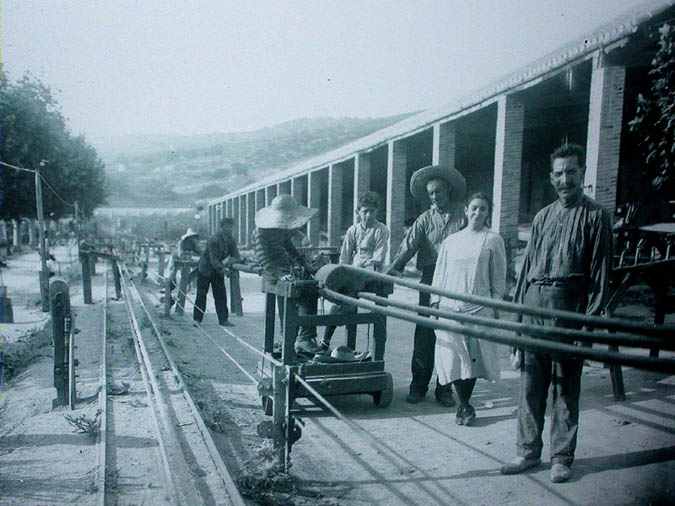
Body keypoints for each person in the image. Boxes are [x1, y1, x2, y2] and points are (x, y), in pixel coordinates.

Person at [500, 143, 612, 483]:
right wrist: (518, 325)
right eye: (559, 173)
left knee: (565, 388)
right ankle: (527, 452)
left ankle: (561, 457)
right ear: (552, 178)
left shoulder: (596, 216)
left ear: (581, 174)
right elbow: (524, 274)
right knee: (531, 386)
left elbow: (601, 278)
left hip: (569, 308)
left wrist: (586, 327)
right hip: (534, 303)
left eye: (572, 172)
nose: (566, 179)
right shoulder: (541, 217)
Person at [386, 163, 466, 406]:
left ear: (448, 191)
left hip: (454, 280)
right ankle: (418, 386)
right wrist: (391, 272)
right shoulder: (424, 220)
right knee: (424, 334)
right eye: (430, 193)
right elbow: (407, 247)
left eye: (439, 191)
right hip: (430, 279)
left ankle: (444, 389)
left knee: (450, 335)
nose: (434, 197)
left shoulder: (463, 216)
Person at [430, 192, 506, 426]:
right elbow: (439, 274)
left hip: (479, 307)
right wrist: (435, 302)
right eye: (474, 208)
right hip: (450, 307)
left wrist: (495, 305)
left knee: (472, 360)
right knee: (453, 356)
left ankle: (464, 404)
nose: (477, 213)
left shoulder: (493, 240)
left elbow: (499, 278)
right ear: (466, 210)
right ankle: (463, 403)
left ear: (487, 213)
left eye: (483, 209)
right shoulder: (451, 241)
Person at [320, 191, 389, 351]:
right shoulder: (353, 230)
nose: (369, 215)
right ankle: (340, 345)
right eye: (365, 211)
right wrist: (340, 273)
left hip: (372, 273)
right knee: (342, 301)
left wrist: (364, 268)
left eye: (372, 211)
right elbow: (345, 256)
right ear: (358, 212)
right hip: (353, 272)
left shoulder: (381, 230)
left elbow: (379, 257)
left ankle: (328, 343)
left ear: (377, 211)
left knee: (349, 301)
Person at [254, 194, 323, 355]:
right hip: (273, 273)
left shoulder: (281, 228)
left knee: (310, 291)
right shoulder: (261, 232)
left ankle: (305, 338)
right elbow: (264, 258)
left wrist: (305, 264)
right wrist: (280, 275)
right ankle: (289, 340)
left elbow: (289, 247)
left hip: (285, 269)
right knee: (287, 304)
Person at [194, 218, 239, 326]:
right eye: (227, 227)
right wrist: (224, 269)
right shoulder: (214, 240)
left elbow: (236, 255)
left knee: (220, 295)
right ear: (222, 227)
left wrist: (232, 262)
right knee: (201, 295)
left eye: (231, 227)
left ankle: (223, 320)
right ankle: (197, 320)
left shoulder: (231, 240)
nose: (229, 229)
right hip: (205, 269)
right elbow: (213, 260)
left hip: (217, 270)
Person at [166, 228, 201, 305]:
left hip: (188, 261)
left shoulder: (193, 243)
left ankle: (188, 281)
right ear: (188, 237)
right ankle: (169, 290)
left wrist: (197, 253)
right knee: (172, 274)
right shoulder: (182, 242)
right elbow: (180, 253)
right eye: (191, 237)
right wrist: (187, 254)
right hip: (176, 259)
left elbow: (200, 252)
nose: (192, 238)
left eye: (193, 237)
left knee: (199, 268)